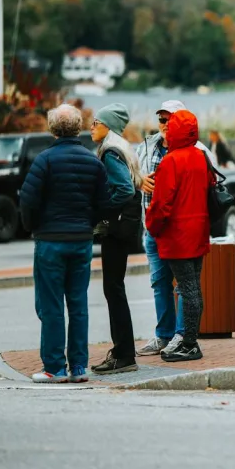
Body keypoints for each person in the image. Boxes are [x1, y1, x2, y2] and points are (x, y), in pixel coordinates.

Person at [19, 104, 110, 384]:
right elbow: (103, 204)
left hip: (50, 240)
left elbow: (28, 201)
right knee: (78, 303)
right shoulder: (93, 162)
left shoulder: (44, 160)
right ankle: (79, 366)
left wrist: (32, 226)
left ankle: (55, 367)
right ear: (78, 127)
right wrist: (86, 223)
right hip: (81, 240)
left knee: (51, 306)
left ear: (53, 128)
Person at [135, 100, 214, 358]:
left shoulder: (171, 161)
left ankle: (186, 341)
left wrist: (152, 226)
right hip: (197, 232)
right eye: (162, 120)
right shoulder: (200, 156)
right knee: (190, 288)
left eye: (171, 121)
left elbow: (161, 205)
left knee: (185, 288)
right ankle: (182, 338)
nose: (166, 126)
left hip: (174, 236)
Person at [90, 103, 144, 375]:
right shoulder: (122, 147)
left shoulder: (111, 152)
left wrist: (103, 209)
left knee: (113, 290)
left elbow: (124, 189)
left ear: (108, 126)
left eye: (96, 122)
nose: (91, 127)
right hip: (126, 229)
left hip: (116, 229)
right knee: (115, 289)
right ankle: (123, 351)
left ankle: (123, 354)